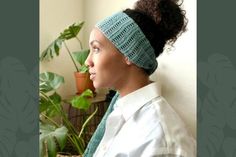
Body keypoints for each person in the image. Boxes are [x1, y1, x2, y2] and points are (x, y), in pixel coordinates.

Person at [84, 0, 196, 156]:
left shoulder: (158, 139)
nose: (87, 61)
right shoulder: (119, 112)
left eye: (96, 48)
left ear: (130, 54)